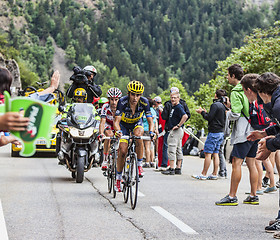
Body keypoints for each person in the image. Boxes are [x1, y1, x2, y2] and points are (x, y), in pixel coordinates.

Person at [216, 66, 259, 206]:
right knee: (252, 163)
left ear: (233, 76)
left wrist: (228, 111)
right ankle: (253, 195)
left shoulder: (236, 91)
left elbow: (235, 114)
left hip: (243, 132)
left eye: (228, 75)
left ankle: (232, 196)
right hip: (256, 129)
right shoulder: (253, 88)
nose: (227, 78)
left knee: (237, 162)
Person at [246, 73, 280, 235]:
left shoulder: (278, 105)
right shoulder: (277, 100)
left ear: (261, 92)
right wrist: (264, 134)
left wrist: (269, 144)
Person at [113, 80, 155, 192]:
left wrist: (151, 132)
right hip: (124, 126)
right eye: (133, 94)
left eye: (138, 95)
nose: (135, 98)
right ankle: (118, 179)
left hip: (137, 124)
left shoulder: (145, 102)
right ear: (128, 93)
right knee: (122, 151)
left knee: (138, 136)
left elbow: (151, 121)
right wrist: (118, 131)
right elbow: (116, 121)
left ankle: (139, 165)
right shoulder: (122, 102)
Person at [192, 89, 227, 180]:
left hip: (214, 132)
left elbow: (209, 117)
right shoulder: (223, 106)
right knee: (216, 153)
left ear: (216, 95)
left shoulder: (215, 105)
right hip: (220, 132)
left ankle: (203, 174)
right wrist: (206, 113)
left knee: (208, 153)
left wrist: (202, 113)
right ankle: (214, 173)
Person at [161, 87, 191, 171]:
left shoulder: (178, 106)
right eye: (172, 97)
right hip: (175, 129)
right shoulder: (174, 105)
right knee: (178, 149)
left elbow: (185, 115)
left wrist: (178, 125)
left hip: (175, 130)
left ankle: (171, 168)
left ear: (178, 97)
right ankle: (178, 167)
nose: (173, 99)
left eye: (175, 97)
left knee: (171, 148)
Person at [98, 87, 122, 170]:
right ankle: (105, 159)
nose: (114, 102)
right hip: (108, 124)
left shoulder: (122, 106)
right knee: (109, 135)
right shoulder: (105, 106)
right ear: (109, 99)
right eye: (112, 99)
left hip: (118, 124)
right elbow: (102, 122)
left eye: (116, 99)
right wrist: (101, 133)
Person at [143, 98, 157, 168]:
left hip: (145, 129)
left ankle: (147, 162)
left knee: (146, 147)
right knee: (151, 146)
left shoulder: (146, 111)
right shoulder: (153, 111)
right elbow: (154, 121)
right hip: (152, 129)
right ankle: (152, 161)